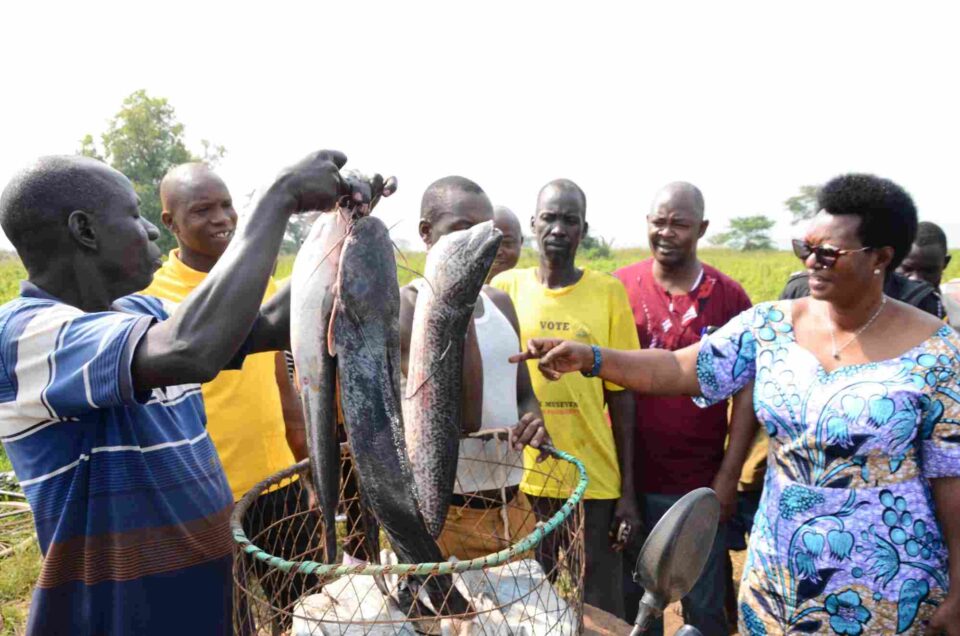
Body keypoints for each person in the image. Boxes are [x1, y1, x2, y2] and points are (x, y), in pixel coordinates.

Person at [512, 173, 960, 635]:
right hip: (779, 587)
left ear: (881, 259)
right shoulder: (771, 327)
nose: (811, 262)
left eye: (828, 254)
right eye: (803, 247)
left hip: (884, 593)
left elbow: (953, 479)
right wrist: (592, 358)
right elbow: (678, 368)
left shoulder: (936, 355)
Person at [0, 150, 357, 635]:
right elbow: (193, 348)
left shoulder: (140, 311)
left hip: (210, 604)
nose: (149, 229)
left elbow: (267, 324)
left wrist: (344, 231)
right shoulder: (24, 336)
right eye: (132, 214)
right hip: (125, 620)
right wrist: (280, 196)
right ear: (85, 231)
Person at [142, 163, 315, 627]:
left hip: (278, 486)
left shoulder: (260, 284)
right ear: (170, 222)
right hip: (201, 498)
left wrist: (305, 468)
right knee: (227, 618)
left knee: (308, 609)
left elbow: (280, 380)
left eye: (227, 206)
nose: (222, 218)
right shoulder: (149, 296)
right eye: (203, 210)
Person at [492, 178, 640, 618]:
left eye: (569, 220)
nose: (559, 228)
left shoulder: (608, 292)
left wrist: (628, 493)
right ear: (534, 223)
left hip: (592, 481)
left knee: (599, 604)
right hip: (524, 481)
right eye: (550, 218)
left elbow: (623, 395)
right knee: (526, 606)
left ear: (583, 230)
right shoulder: (506, 289)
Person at [613, 181, 755, 634]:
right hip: (632, 481)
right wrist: (623, 490)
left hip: (700, 486)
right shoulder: (620, 289)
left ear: (702, 228)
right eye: (659, 222)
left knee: (706, 606)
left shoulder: (729, 298)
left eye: (680, 223)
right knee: (638, 607)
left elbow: (746, 393)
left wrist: (728, 478)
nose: (667, 232)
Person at [399, 176, 548, 560]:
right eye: (462, 229)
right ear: (427, 234)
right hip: (444, 518)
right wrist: (454, 300)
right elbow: (459, 415)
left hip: (513, 507)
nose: (479, 241)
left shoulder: (501, 304)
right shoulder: (406, 311)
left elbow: (523, 393)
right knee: (450, 620)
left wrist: (532, 419)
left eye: (486, 230)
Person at [898, 221, 959, 329]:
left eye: (929, 271)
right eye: (908, 269)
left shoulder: (955, 320)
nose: (916, 279)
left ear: (945, 263)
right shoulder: (874, 316)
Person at [488, 205, 524, 281]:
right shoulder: (460, 289)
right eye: (490, 244)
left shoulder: (529, 289)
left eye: (507, 243)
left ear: (521, 242)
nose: (498, 252)